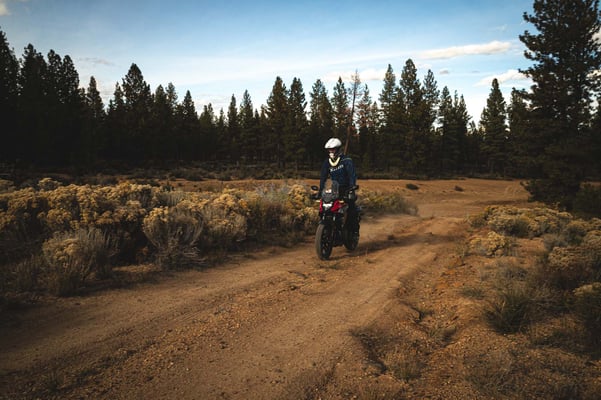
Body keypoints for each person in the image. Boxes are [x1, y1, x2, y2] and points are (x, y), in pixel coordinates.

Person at [319, 137, 359, 229]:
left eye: (333, 149)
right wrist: (320, 191)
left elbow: (352, 175)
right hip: (335, 189)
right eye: (329, 150)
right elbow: (323, 177)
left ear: (338, 149)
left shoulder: (346, 160)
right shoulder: (327, 162)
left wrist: (352, 188)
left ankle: (352, 231)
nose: (331, 151)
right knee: (327, 208)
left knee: (350, 210)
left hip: (347, 189)